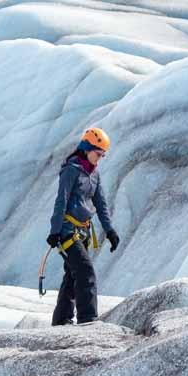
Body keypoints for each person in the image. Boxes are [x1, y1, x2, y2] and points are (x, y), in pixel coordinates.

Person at [48, 127, 120, 326]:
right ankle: (88, 318)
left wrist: (110, 231)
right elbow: (60, 201)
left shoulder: (94, 174)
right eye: (98, 154)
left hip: (83, 232)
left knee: (73, 274)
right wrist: (55, 231)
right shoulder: (71, 171)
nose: (100, 158)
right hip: (67, 231)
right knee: (85, 271)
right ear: (87, 148)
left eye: (103, 155)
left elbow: (101, 203)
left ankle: (61, 319)